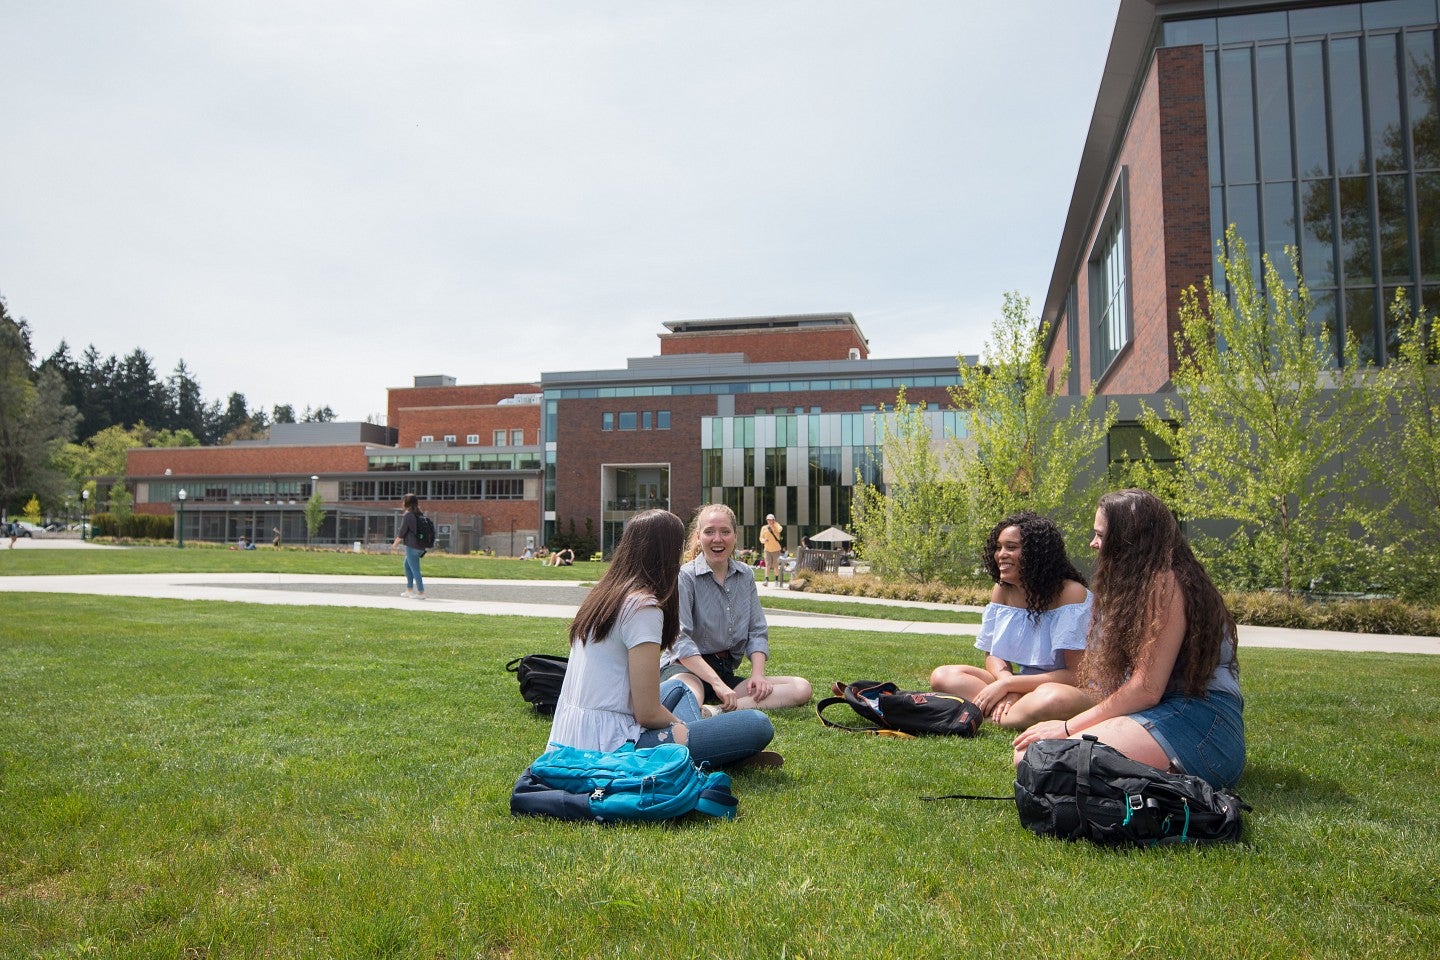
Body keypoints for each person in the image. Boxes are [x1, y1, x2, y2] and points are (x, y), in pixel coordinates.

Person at [1013, 489, 1245, 789]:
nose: (1093, 544)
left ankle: (1164, 784)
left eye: (1100, 535)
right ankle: (1153, 779)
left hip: (1201, 728)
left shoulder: (1166, 583)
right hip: (1171, 715)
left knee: (1037, 758)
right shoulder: (1148, 583)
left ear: (1127, 540)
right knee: (1031, 758)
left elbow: (1146, 689)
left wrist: (1067, 727)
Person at [546, 509, 779, 768]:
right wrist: (682, 729)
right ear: (666, 553)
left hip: (573, 733)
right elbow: (647, 713)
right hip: (612, 743)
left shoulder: (603, 595)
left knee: (679, 687)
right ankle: (715, 754)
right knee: (757, 724)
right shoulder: (643, 609)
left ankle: (714, 748)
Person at [930, 511, 1096, 729]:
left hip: (1074, 687)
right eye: (998, 547)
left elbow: (1077, 675)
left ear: (1036, 553)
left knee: (1052, 699)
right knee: (943, 676)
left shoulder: (1071, 594)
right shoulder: (1001, 591)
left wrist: (1010, 685)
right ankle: (1015, 712)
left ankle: (990, 715)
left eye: (1011, 547)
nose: (1001, 555)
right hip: (1022, 683)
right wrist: (1006, 683)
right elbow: (993, 655)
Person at [662, 504, 813, 713]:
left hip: (725, 672)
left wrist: (758, 676)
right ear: (698, 537)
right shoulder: (685, 577)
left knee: (801, 688)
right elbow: (681, 641)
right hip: (686, 669)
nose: (717, 539)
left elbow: (757, 630)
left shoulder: (745, 576)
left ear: (735, 535)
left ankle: (716, 712)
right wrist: (716, 684)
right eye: (709, 532)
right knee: (689, 700)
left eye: (725, 531)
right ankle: (700, 707)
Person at [390, 493, 427, 599]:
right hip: (420, 546)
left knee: (415, 570)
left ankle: (421, 593)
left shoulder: (408, 515)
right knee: (407, 566)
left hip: (412, 546)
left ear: (406, 503)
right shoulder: (419, 514)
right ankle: (409, 590)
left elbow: (402, 531)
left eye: (403, 501)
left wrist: (395, 543)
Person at [759, 514, 785, 586]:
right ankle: (766, 580)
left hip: (776, 549)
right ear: (766, 520)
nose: (769, 521)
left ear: (774, 520)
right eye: (768, 520)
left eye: (771, 519)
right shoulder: (764, 528)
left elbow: (780, 529)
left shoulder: (776, 526)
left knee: (775, 565)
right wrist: (764, 540)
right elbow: (761, 538)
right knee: (767, 564)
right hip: (767, 549)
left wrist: (775, 524)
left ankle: (776, 580)